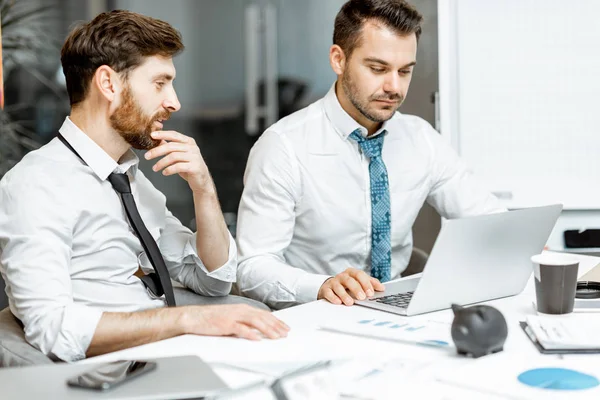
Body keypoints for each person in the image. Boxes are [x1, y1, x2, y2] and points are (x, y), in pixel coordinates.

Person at [0, 10, 288, 362]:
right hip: (117, 370)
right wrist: (186, 320)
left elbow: (212, 281)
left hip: (169, 353)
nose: (174, 102)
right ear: (108, 84)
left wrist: (204, 190)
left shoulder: (129, 179)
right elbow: (53, 326)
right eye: (159, 83)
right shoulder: (36, 185)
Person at [236, 0, 505, 310]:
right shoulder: (283, 146)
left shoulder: (422, 140)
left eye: (405, 71)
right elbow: (253, 269)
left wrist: (532, 251)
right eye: (377, 68)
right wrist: (321, 286)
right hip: (313, 315)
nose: (394, 87)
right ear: (338, 59)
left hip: (398, 312)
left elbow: (487, 219)